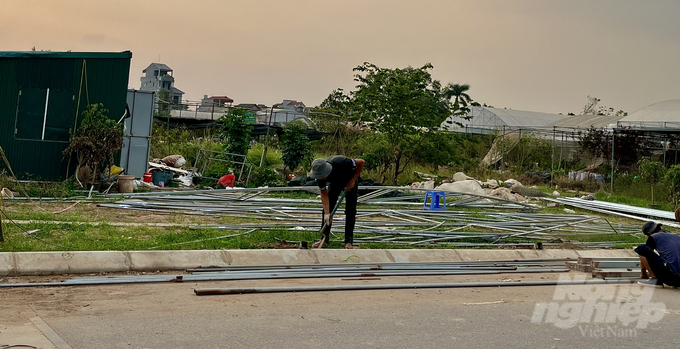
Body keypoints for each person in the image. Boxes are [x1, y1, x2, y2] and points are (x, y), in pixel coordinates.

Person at [308, 156, 365, 249]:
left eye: (322, 176)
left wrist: (353, 180)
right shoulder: (319, 177)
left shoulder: (341, 162)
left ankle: (348, 241)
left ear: (326, 171)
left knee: (350, 210)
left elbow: (361, 162)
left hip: (349, 178)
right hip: (335, 183)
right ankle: (324, 239)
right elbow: (323, 193)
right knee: (328, 208)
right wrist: (327, 213)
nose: (321, 179)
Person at [634, 221, 680, 287]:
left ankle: (655, 280)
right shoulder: (677, 236)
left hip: (670, 277)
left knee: (642, 249)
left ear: (649, 233)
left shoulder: (653, 237)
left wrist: (644, 274)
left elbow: (645, 256)